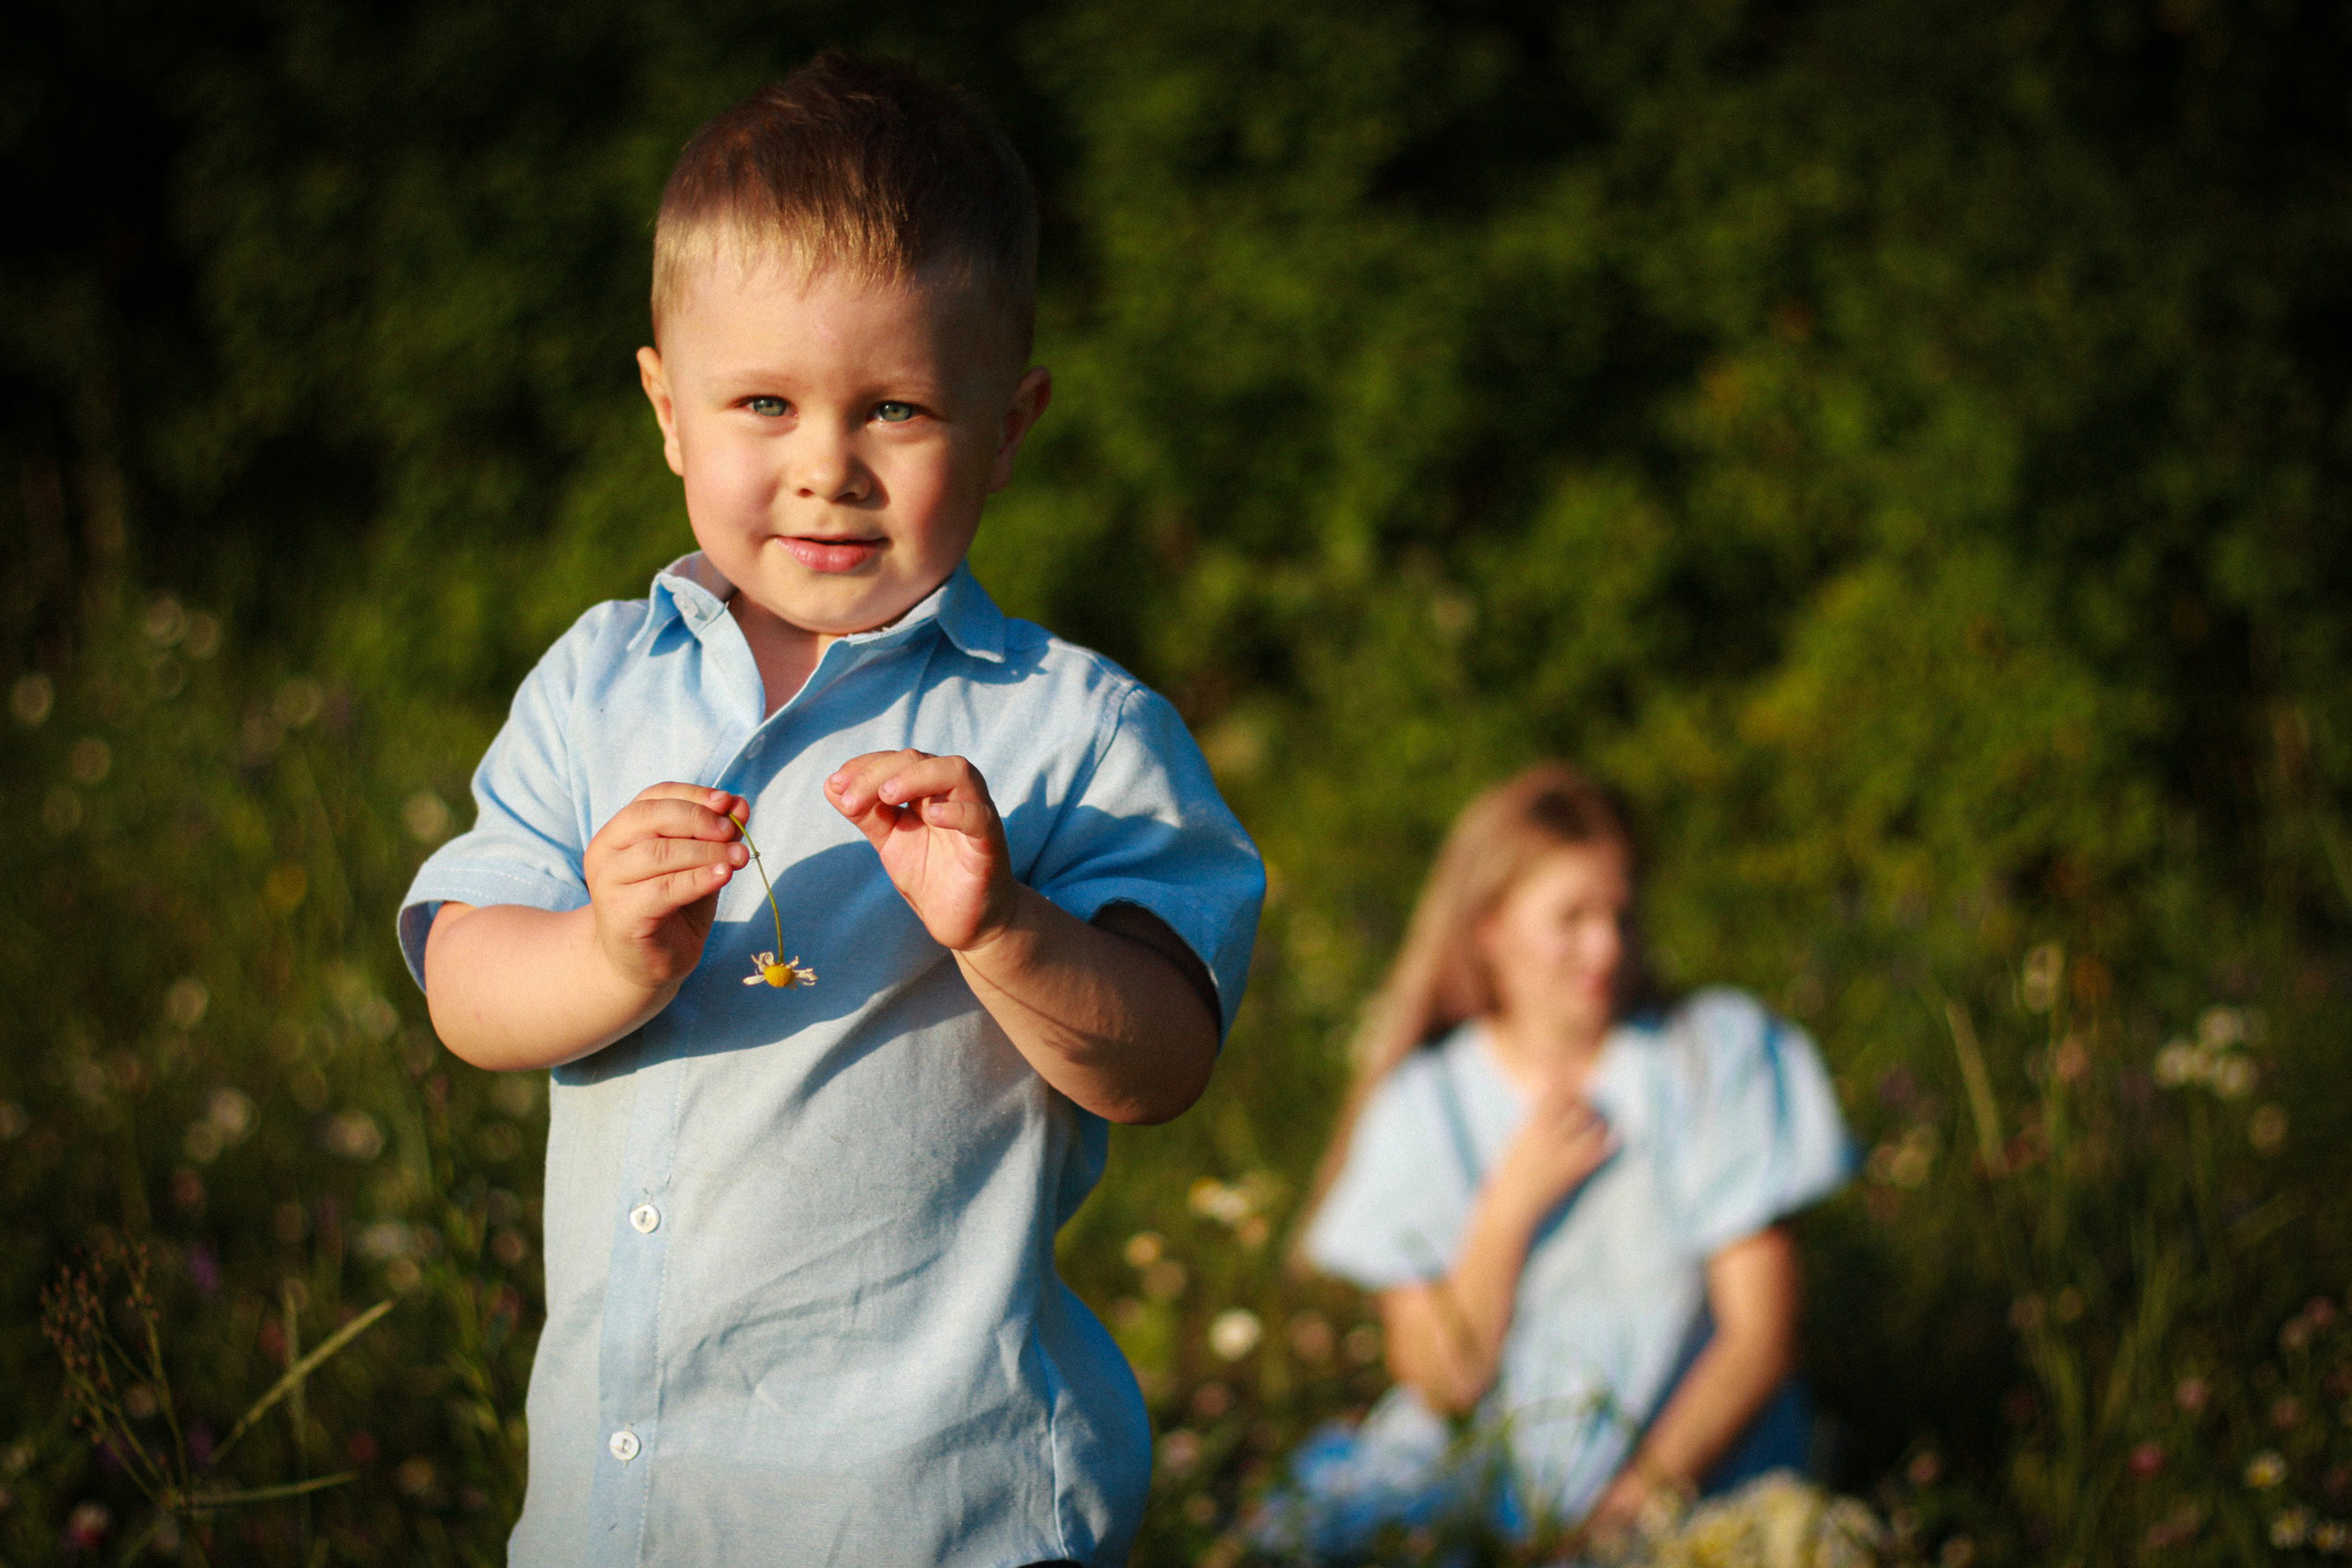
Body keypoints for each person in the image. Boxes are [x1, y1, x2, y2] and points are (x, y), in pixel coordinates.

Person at [396, 54, 1263, 1567]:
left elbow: (1162, 1058)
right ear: (669, 410)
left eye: (897, 409)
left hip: (939, 1506)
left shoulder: (1072, 731)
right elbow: (465, 980)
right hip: (630, 1511)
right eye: (763, 403)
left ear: (1008, 424)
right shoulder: (598, 683)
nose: (826, 468)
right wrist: (602, 953)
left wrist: (1005, 926)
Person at [1273, 764, 1849, 1556]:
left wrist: (1624, 1514)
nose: (1606, 947)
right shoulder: (1426, 1103)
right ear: (1489, 928)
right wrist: (1508, 1208)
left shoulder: (1711, 1055)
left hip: (1690, 1484)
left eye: (1620, 914)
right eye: (1571, 917)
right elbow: (1444, 1383)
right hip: (1479, 1488)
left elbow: (1759, 1340)